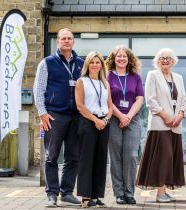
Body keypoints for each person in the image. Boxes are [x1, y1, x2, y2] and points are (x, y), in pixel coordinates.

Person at [33, 28, 84, 207]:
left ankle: (67, 192)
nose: (67, 41)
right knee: (51, 156)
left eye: (69, 38)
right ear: (58, 41)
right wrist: (42, 113)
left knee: (73, 156)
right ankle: (52, 193)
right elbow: (38, 89)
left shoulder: (81, 64)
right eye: (63, 38)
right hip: (54, 115)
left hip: (76, 116)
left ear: (73, 42)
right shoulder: (47, 62)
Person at [136, 48, 186, 203]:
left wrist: (179, 116)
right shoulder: (153, 75)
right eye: (162, 58)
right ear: (157, 61)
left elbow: (183, 100)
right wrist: (166, 116)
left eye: (168, 58)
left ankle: (163, 191)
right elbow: (150, 100)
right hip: (160, 124)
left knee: (171, 158)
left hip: (175, 125)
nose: (165, 60)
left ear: (173, 61)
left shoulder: (178, 77)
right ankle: (160, 193)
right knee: (164, 156)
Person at [105, 46, 144, 205]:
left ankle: (129, 192)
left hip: (132, 119)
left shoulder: (136, 77)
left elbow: (140, 99)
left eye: (124, 56)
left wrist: (127, 116)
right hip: (114, 118)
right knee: (116, 158)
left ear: (129, 59)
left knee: (131, 156)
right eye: (118, 56)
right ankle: (119, 193)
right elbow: (107, 100)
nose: (121, 59)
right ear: (113, 59)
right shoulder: (107, 76)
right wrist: (120, 116)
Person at [75, 51, 113, 208]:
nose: (95, 65)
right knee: (87, 160)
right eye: (92, 62)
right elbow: (80, 105)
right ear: (87, 65)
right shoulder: (82, 81)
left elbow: (110, 106)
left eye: (98, 62)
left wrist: (105, 119)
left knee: (100, 160)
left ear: (102, 65)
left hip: (103, 123)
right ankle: (85, 197)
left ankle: (96, 195)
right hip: (88, 123)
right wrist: (95, 120)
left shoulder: (105, 83)